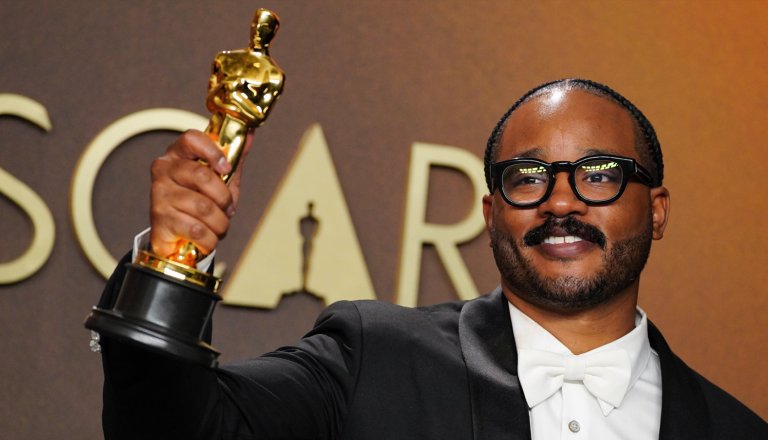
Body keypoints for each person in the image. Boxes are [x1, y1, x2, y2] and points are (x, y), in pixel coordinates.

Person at [96, 78, 766, 439]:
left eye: (598, 174)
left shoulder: (736, 431)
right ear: (490, 213)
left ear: (657, 210)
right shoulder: (372, 357)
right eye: (527, 177)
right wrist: (171, 260)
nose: (561, 203)